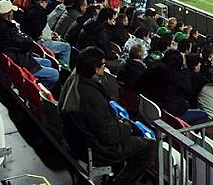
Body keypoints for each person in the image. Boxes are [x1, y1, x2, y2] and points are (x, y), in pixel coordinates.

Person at [58, 47, 156, 185]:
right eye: (103, 64)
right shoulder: (91, 95)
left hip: (77, 143)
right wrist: (127, 128)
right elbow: (108, 135)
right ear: (96, 68)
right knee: (149, 146)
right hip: (97, 149)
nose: (105, 66)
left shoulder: (73, 81)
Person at [0, 0, 59, 89]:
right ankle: (38, 90)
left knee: (48, 62)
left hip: (16, 56)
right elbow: (28, 43)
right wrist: (25, 37)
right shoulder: (7, 30)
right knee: (55, 74)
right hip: (20, 61)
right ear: (8, 15)